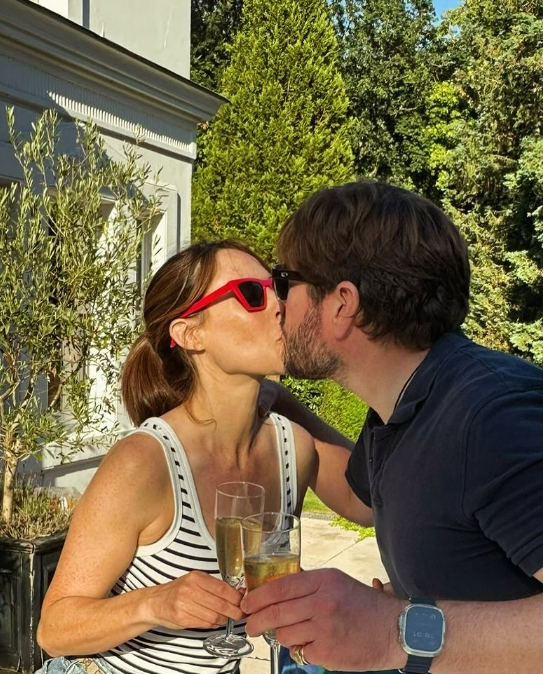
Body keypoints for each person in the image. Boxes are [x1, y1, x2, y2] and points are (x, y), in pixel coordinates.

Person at [242, 181, 543, 674]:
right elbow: (366, 501)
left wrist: (393, 629)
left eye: (283, 281)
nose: (274, 303)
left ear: (343, 303)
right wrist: (280, 403)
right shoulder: (403, 408)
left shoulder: (499, 417)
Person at [36, 240, 368, 674]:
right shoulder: (145, 462)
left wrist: (285, 399)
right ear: (190, 334)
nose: (279, 305)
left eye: (278, 287)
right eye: (252, 293)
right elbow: (54, 628)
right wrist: (156, 602)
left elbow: (368, 502)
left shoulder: (293, 448)